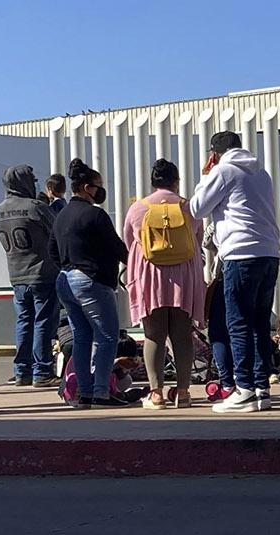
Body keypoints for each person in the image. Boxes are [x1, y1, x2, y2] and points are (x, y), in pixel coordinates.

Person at [190, 130, 280, 413]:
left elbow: (196, 208)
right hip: (269, 253)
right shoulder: (261, 173)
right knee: (259, 324)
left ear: (214, 154)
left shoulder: (225, 171)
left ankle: (242, 389)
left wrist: (207, 175)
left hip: (240, 255)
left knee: (238, 323)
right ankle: (261, 389)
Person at [124, 158, 206, 409]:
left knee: (154, 335)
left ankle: (157, 393)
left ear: (153, 182)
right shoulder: (188, 207)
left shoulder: (138, 208)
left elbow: (129, 241)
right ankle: (183, 392)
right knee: (181, 334)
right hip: (184, 275)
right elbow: (198, 240)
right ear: (176, 181)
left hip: (150, 276)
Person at [51, 158, 129, 409]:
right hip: (92, 281)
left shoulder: (61, 215)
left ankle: (83, 393)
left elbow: (51, 251)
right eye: (98, 186)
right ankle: (101, 391)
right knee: (107, 337)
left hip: (65, 280)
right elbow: (117, 247)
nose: (100, 191)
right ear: (86, 187)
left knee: (81, 337)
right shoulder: (96, 215)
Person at [0, 164, 62, 387]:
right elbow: (57, 233)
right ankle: (42, 371)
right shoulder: (35, 207)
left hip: (16, 274)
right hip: (42, 273)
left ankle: (21, 370)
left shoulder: (0, 210)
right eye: (32, 180)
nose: (34, 184)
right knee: (43, 320)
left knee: (24, 321)